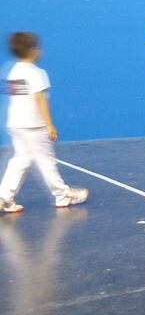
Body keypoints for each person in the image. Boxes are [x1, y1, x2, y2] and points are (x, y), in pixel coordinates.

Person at [0, 31, 89, 213]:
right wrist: (49, 124)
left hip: (15, 124)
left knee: (21, 159)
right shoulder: (36, 73)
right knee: (46, 161)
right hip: (33, 125)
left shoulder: (11, 71)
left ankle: (4, 197)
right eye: (38, 47)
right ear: (32, 50)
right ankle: (62, 194)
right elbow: (39, 99)